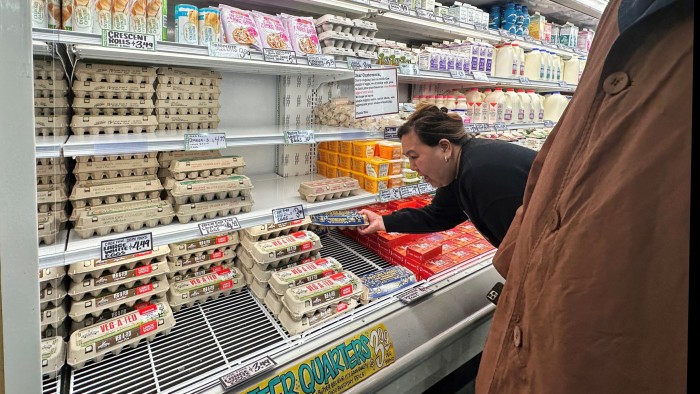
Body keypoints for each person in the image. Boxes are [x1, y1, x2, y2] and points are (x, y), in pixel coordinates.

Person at [475, 0, 691, 393]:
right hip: (534, 323)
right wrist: (518, 256)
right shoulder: (620, 9)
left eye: (415, 155)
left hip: (616, 343)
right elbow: (559, 152)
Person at [358, 104, 537, 248]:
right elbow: (439, 215)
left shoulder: (481, 173)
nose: (413, 167)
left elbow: (523, 249)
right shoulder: (459, 167)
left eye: (414, 157)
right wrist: (382, 221)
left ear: (445, 147)